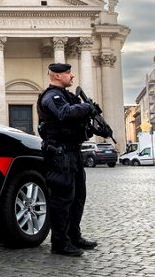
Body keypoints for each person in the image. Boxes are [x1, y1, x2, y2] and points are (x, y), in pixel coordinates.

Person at [37, 62, 99, 257]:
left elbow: (76, 121)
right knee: (62, 199)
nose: (72, 76)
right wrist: (86, 107)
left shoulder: (68, 96)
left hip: (73, 152)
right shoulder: (51, 96)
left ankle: (73, 236)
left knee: (78, 196)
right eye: (68, 73)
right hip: (59, 154)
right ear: (57, 76)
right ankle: (60, 242)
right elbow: (64, 113)